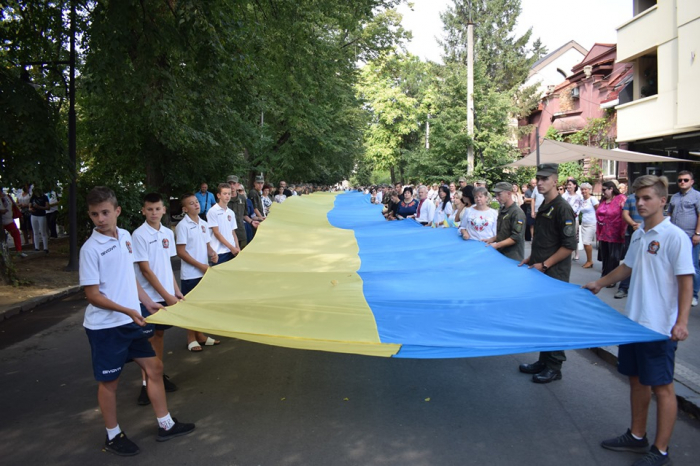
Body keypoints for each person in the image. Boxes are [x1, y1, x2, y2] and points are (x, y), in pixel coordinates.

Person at [584, 175, 693, 466]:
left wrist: (681, 322)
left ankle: (661, 451)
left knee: (662, 387)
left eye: (647, 198)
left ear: (662, 200)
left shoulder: (674, 237)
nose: (640, 203)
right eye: (637, 198)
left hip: (659, 328)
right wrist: (599, 283)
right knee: (635, 380)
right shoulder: (640, 234)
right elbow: (626, 268)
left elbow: (686, 282)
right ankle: (636, 435)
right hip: (633, 323)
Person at [80, 186, 195, 456]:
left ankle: (165, 424)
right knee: (110, 383)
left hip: (131, 321)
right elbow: (93, 295)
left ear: (117, 211)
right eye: (95, 214)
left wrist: (145, 302)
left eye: (105, 212)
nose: (101, 218)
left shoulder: (125, 237)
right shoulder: (89, 249)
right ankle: (113, 435)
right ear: (90, 215)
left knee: (154, 369)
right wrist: (129, 311)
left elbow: (128, 277)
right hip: (105, 327)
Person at [518, 163, 576, 384]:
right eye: (537, 179)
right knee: (542, 317)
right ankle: (544, 359)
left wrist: (545, 264)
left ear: (555, 181)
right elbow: (543, 240)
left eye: (544, 179)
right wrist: (532, 260)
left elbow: (569, 245)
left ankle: (554, 365)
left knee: (554, 319)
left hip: (554, 274)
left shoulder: (562, 208)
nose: (539, 183)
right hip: (540, 271)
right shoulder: (544, 205)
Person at [131, 192, 182, 406]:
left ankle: (158, 374)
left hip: (165, 293)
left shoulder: (167, 233)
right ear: (143, 211)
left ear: (163, 210)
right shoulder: (139, 235)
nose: (153, 213)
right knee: (148, 339)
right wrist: (166, 296)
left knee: (159, 335)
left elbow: (165, 265)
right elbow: (145, 271)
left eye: (157, 209)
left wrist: (176, 290)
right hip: (148, 297)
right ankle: (146, 384)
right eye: (149, 209)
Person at [175, 193, 221, 352]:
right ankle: (191, 338)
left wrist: (213, 254)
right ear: (185, 209)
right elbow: (181, 252)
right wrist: (200, 266)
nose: (196, 205)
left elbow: (207, 245)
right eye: (191, 203)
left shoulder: (203, 223)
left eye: (196, 202)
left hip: (203, 271)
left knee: (201, 305)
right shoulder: (183, 226)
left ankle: (200, 335)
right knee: (191, 306)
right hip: (191, 274)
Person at [667, 170, 700, 307]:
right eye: (680, 180)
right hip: (675, 236)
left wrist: (698, 234)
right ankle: (678, 292)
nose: (682, 182)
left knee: (692, 266)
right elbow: (669, 213)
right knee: (674, 265)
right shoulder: (674, 196)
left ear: (692, 182)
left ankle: (694, 294)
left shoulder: (697, 196)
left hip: (690, 236)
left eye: (685, 180)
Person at [484, 182, 525, 261]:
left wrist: (497, 245)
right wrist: (491, 239)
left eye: (499, 195)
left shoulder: (517, 213)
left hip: (512, 256)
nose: (497, 198)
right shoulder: (503, 210)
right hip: (501, 254)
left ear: (509, 194)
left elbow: (516, 237)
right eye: (496, 195)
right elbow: (504, 232)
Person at [596, 181, 627, 282]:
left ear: (611, 189)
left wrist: (624, 231)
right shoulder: (603, 200)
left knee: (614, 257)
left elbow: (625, 214)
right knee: (605, 256)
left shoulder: (621, 199)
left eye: (604, 190)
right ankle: (605, 276)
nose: (603, 192)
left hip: (616, 232)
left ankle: (612, 279)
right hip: (603, 232)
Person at [616, 188, 644, 299]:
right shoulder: (630, 198)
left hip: (648, 232)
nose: (641, 203)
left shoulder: (674, 236)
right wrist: (634, 224)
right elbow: (625, 214)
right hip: (632, 233)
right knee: (629, 260)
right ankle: (623, 288)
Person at [207, 183, 240, 265]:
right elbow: (216, 233)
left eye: (229, 194)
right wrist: (231, 247)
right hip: (220, 252)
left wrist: (237, 247)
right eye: (224, 194)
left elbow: (233, 232)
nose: (227, 196)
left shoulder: (231, 212)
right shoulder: (213, 211)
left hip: (232, 251)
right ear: (218, 195)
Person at [562, 179, 584, 261]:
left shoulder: (579, 197)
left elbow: (581, 207)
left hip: (574, 218)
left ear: (575, 185)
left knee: (575, 236)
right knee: (566, 235)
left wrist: (576, 213)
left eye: (570, 184)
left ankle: (576, 253)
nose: (568, 186)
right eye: (567, 185)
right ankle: (568, 253)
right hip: (565, 218)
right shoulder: (564, 196)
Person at [579, 182, 599, 269]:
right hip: (584, 223)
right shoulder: (582, 200)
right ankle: (589, 260)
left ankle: (590, 261)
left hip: (592, 223)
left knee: (587, 243)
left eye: (585, 189)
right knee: (585, 243)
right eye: (582, 189)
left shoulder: (593, 199)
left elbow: (599, 210)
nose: (583, 191)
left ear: (589, 190)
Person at [1, 189, 26, 257]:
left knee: (16, 234)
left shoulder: (7, 197)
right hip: (2, 221)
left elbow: (14, 206)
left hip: (9, 220)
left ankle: (19, 251)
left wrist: (19, 215)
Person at [226, 176, 249, 250]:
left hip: (241, 231)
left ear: (238, 185)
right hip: (228, 233)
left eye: (234, 183)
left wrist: (252, 222)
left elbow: (245, 215)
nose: (232, 186)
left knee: (242, 253)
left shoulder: (242, 198)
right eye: (230, 183)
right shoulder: (223, 199)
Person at [29, 187, 50, 253]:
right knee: (35, 232)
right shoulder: (32, 198)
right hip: (34, 215)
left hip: (41, 215)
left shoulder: (44, 197)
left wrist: (39, 207)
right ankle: (36, 247)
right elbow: (29, 207)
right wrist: (31, 209)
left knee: (43, 232)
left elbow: (47, 207)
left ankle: (45, 247)